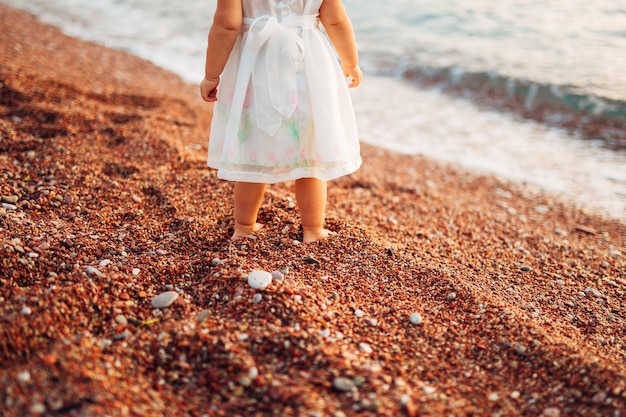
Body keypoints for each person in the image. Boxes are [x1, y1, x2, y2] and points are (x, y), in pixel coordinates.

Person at [200, 0, 362, 243]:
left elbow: (227, 24)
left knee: (252, 147)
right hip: (309, 63)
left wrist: (212, 74)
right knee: (311, 150)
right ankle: (313, 229)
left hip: (255, 61)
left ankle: (244, 227)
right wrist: (351, 62)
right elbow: (336, 19)